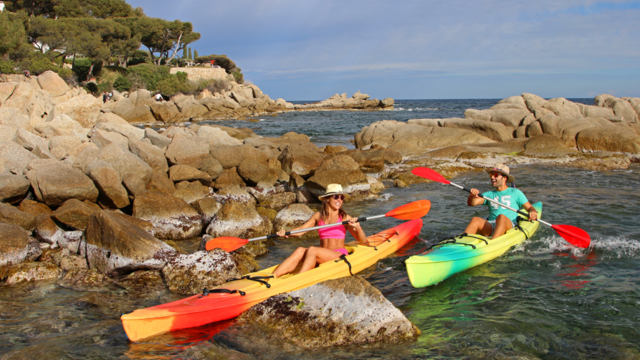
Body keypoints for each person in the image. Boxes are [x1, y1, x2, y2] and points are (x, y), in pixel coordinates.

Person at [272, 184, 368, 278]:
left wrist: (358, 227)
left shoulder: (345, 218)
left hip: (338, 255)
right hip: (322, 255)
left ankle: (299, 278)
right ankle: (273, 277)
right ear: (327, 199)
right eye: (336, 197)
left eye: (341, 197)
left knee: (312, 250)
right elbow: (301, 230)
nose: (339, 200)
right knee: (300, 250)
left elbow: (363, 240)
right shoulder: (318, 216)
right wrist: (286, 233)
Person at [465, 164, 538, 239]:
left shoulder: (515, 192)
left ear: (504, 178)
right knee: (475, 220)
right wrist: (472, 196)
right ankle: (461, 242)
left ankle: (493, 243)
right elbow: (472, 203)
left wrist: (532, 212)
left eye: (496, 175)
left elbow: (530, 208)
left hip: (508, 225)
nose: (492, 177)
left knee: (501, 217)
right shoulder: (489, 194)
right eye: (491, 175)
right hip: (491, 225)